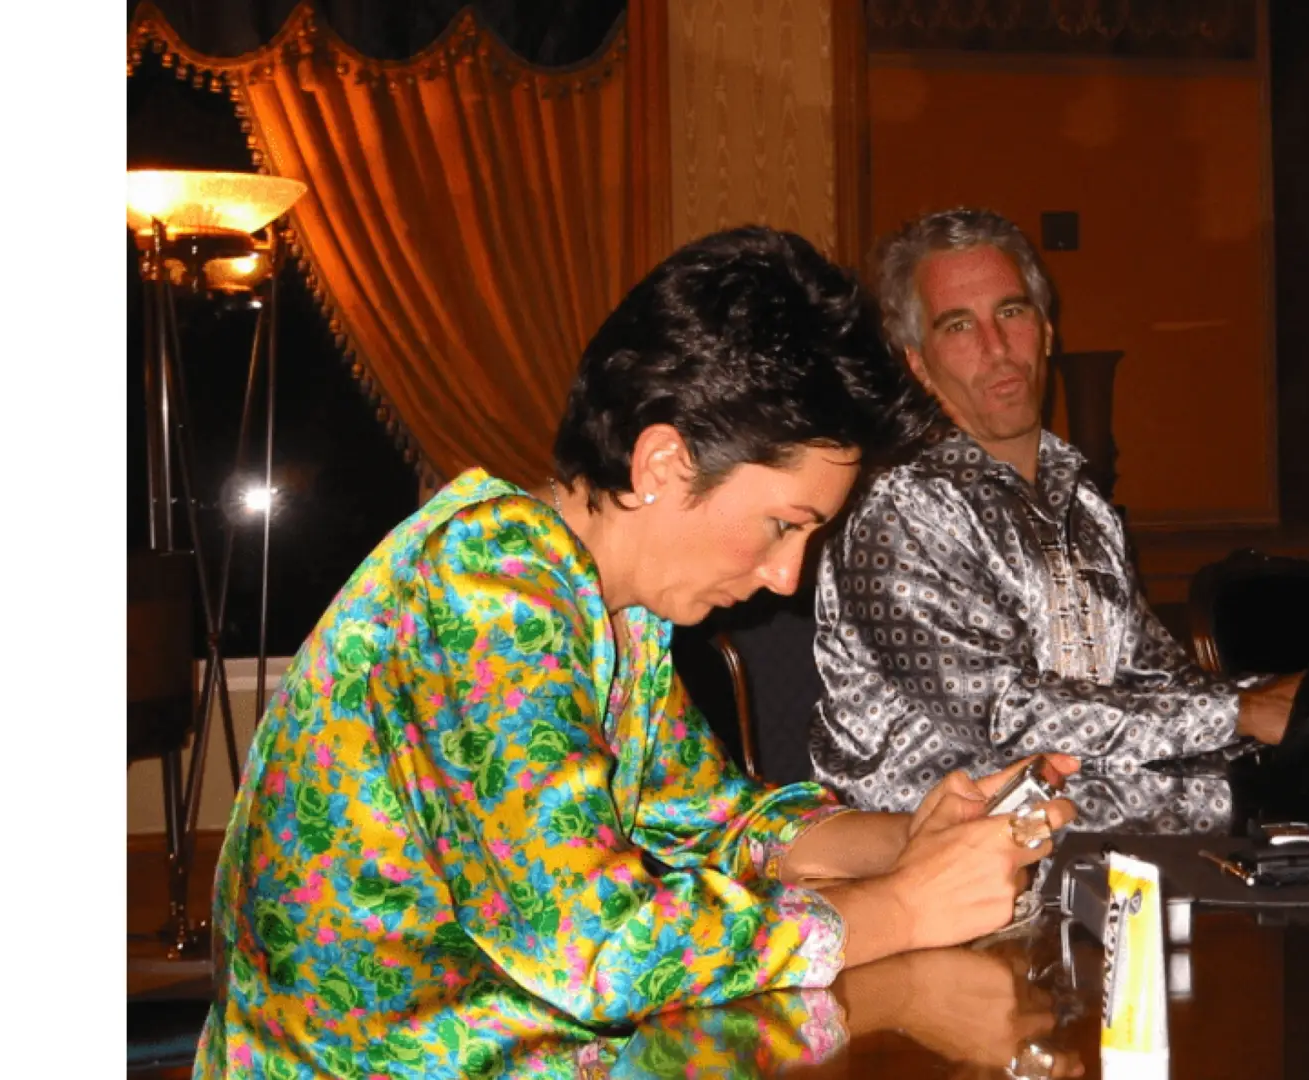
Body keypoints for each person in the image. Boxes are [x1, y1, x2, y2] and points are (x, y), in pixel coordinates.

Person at [194, 226, 1079, 1079]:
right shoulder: (485, 583)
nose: (786, 576)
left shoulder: (614, 613)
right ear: (661, 464)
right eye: (783, 525)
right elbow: (604, 948)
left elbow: (718, 821)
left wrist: (909, 839)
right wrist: (904, 907)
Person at [808, 207, 1299, 816]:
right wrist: (1240, 714)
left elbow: (1157, 685)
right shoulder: (899, 513)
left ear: (1045, 331)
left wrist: (1299, 699)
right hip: (934, 843)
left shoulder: (1083, 505)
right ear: (919, 364)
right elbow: (1003, 717)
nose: (996, 348)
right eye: (958, 326)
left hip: (1089, 822)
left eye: (1011, 313)